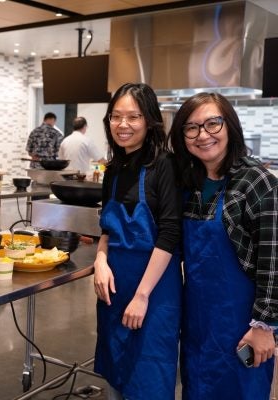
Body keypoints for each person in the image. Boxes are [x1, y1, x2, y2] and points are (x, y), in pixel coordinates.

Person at [168, 92, 277, 399]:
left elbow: (274, 259)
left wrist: (265, 326)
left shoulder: (257, 182)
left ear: (230, 126)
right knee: (197, 388)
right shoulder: (189, 184)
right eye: (191, 128)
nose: (203, 135)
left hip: (242, 324)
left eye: (212, 124)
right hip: (198, 324)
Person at [93, 83, 182, 399]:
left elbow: (170, 234)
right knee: (116, 372)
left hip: (154, 292)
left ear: (149, 121)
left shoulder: (164, 165)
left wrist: (142, 296)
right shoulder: (113, 169)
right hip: (114, 290)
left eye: (133, 117)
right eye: (116, 117)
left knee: (150, 377)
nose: (122, 125)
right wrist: (100, 261)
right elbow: (107, 229)